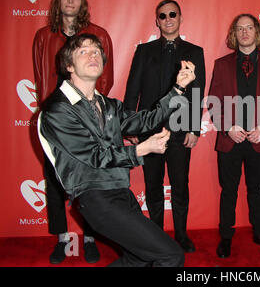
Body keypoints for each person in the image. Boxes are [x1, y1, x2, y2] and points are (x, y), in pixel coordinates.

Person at [38, 33, 195, 267]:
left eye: (96, 51)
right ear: (68, 65)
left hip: (121, 191)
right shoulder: (57, 110)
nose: (93, 55)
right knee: (171, 255)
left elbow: (146, 121)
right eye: (83, 51)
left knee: (139, 259)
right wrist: (141, 149)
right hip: (95, 197)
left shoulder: (108, 104)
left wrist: (178, 89)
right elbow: (95, 156)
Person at [32, 0, 114, 264]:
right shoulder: (43, 36)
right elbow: (41, 80)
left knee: (89, 182)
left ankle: (90, 237)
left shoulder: (99, 34)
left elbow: (106, 79)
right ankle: (63, 241)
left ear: (83, 2)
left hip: (87, 119)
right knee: (54, 181)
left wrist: (94, 117)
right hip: (56, 120)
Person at [123, 0, 205, 253]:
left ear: (181, 18)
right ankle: (156, 234)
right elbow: (132, 91)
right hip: (149, 131)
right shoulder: (144, 51)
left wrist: (194, 128)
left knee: (180, 185)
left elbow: (197, 93)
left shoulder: (195, 51)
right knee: (152, 185)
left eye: (173, 14)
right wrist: (131, 127)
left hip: (181, 131)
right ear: (157, 20)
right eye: (163, 15)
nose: (168, 18)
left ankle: (181, 233)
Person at [208, 13, 260, 258]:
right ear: (234, 34)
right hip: (230, 139)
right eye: (239, 28)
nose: (244, 32)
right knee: (228, 190)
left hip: (259, 139)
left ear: (257, 31)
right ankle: (226, 237)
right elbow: (213, 102)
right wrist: (228, 127)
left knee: (256, 189)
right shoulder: (222, 64)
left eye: (249, 27)